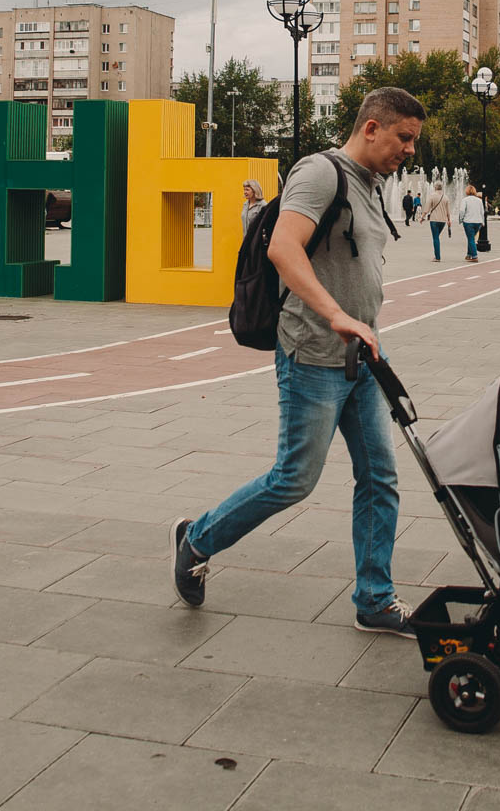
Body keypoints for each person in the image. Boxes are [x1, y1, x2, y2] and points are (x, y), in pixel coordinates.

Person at [173, 86, 424, 637]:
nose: (410, 150)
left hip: (362, 358)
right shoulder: (320, 173)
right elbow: (283, 248)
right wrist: (337, 314)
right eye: (404, 137)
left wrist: (364, 325)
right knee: (295, 479)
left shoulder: (373, 186)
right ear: (372, 127)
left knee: (381, 477)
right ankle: (197, 539)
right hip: (312, 352)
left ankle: (374, 598)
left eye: (414, 141)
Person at [419, 178, 451, 262]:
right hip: (443, 221)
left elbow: (427, 208)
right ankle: (437, 256)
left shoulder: (432, 196)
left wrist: (422, 217)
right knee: (437, 237)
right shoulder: (446, 197)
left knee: (435, 238)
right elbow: (448, 211)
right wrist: (449, 220)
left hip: (434, 220)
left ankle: (437, 257)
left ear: (435, 187)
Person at [458, 183, 486, 262]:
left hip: (468, 222)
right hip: (478, 222)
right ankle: (469, 254)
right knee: (471, 238)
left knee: (471, 239)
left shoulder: (465, 200)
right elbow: (482, 212)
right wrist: (482, 222)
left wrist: (461, 219)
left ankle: (474, 256)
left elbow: (462, 211)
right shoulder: (479, 200)